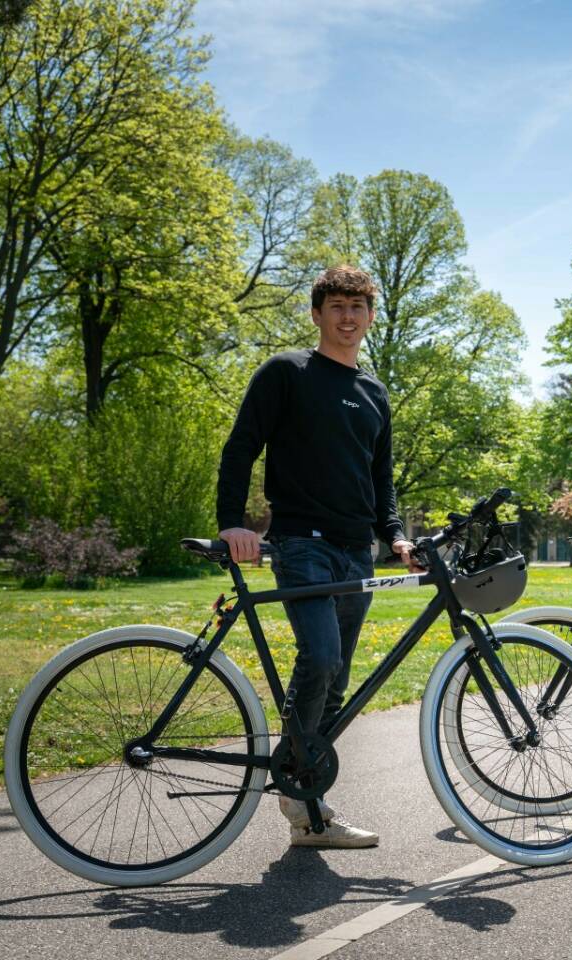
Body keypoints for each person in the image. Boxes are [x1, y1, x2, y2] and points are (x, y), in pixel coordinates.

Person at [216, 265, 422, 849]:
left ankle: (307, 807)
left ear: (371, 317)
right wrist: (233, 521)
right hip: (302, 543)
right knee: (322, 655)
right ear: (317, 313)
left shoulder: (374, 392)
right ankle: (296, 786)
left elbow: (380, 482)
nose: (348, 317)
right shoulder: (287, 372)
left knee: (335, 685)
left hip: (358, 553)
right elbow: (240, 448)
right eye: (336, 306)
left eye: (358, 306)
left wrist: (396, 535)